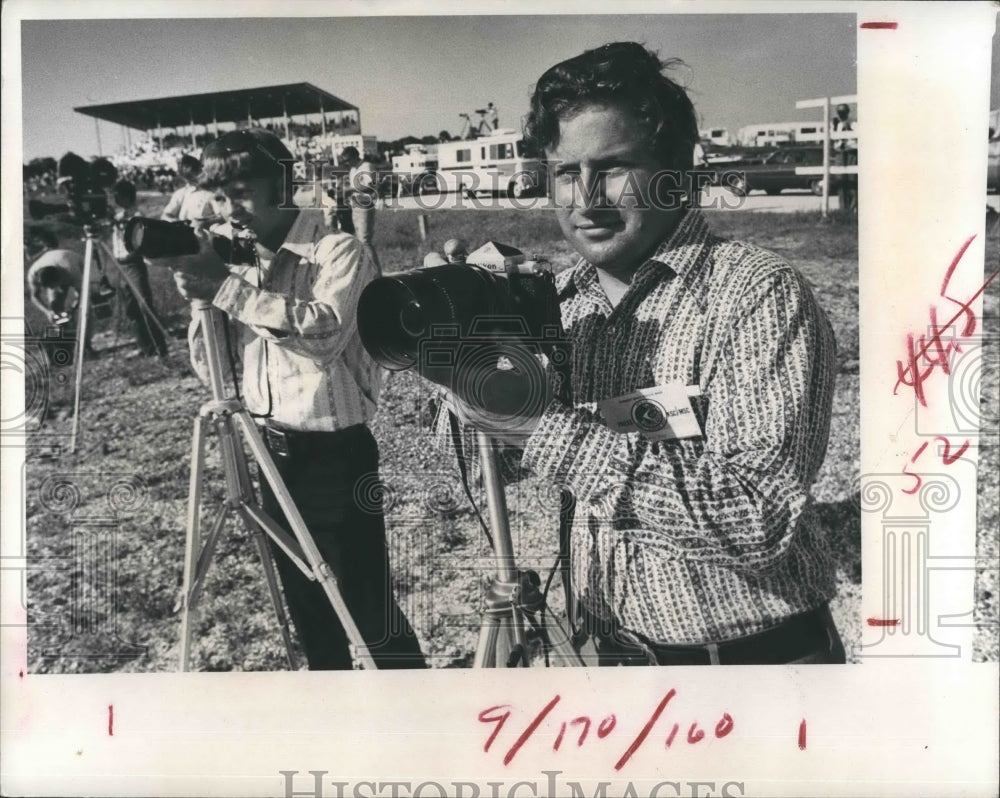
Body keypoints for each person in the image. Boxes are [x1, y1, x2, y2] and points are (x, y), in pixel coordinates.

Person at [450, 42, 844, 665]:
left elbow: (758, 518)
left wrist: (544, 427)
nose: (585, 200)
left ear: (676, 171)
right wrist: (466, 344)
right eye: (563, 172)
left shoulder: (754, 294)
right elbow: (523, 469)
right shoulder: (565, 307)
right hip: (608, 656)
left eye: (612, 168)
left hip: (751, 666)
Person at [162, 128, 424, 670]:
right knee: (309, 609)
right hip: (272, 454)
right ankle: (332, 714)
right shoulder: (244, 269)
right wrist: (203, 300)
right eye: (219, 195)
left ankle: (415, 712)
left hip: (336, 454)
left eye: (241, 190)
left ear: (284, 184)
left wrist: (228, 290)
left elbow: (324, 334)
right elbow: (213, 370)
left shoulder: (339, 251)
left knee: (366, 609)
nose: (229, 208)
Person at [110, 180, 170, 357]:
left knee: (145, 306)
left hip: (133, 263)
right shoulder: (119, 215)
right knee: (131, 309)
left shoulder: (137, 215)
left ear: (126, 196)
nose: (115, 200)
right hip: (120, 264)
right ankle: (146, 347)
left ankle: (161, 348)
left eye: (117, 196)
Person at [24, 226, 96, 356]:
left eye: (54, 285)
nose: (53, 289)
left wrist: (74, 307)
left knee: (85, 309)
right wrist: (48, 312)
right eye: (49, 287)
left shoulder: (70, 268)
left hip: (78, 267)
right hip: (55, 268)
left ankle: (86, 344)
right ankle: (64, 343)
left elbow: (83, 293)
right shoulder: (32, 273)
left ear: (60, 277)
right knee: (56, 308)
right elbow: (34, 297)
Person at [339, 146, 383, 277]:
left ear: (354, 156)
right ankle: (366, 273)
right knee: (358, 241)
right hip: (355, 205)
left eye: (347, 160)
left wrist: (350, 190)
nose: (345, 163)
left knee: (365, 240)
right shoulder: (353, 170)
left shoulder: (366, 167)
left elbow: (371, 187)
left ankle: (376, 274)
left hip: (365, 205)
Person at [161, 154, 215, 225]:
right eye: (187, 177)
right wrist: (176, 222)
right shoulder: (181, 193)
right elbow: (165, 215)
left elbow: (222, 217)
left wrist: (204, 222)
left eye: (195, 172)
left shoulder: (211, 193)